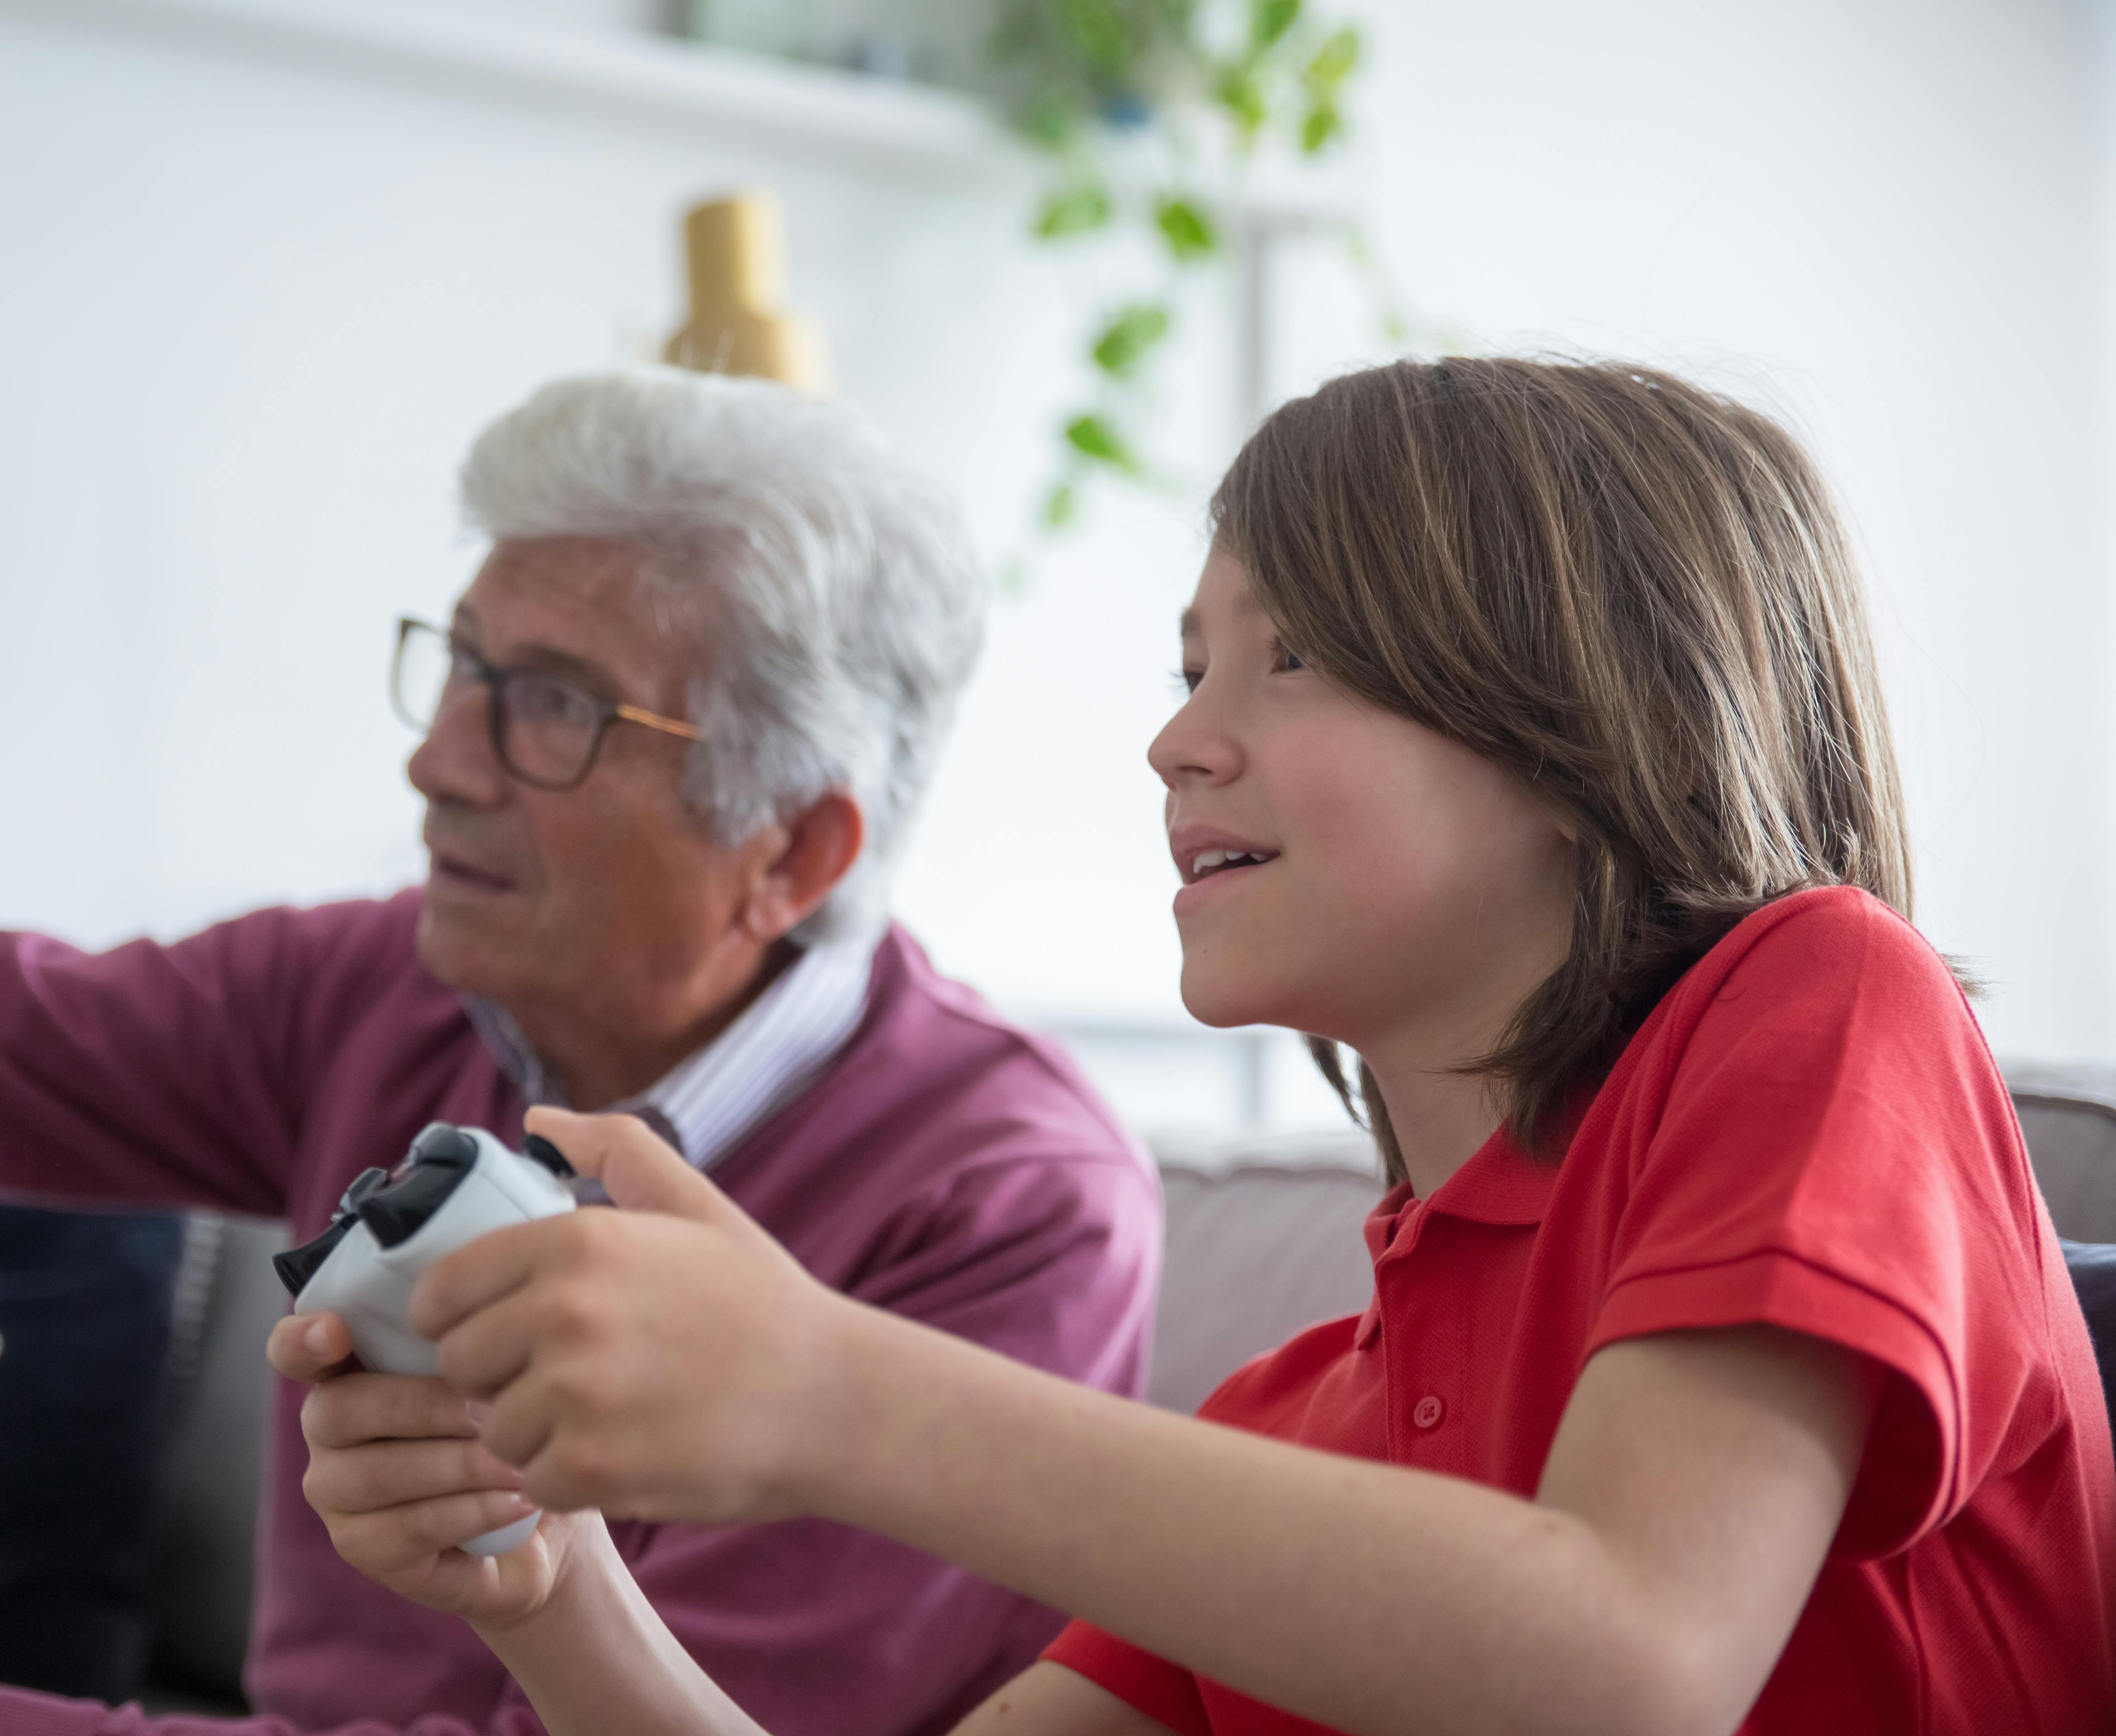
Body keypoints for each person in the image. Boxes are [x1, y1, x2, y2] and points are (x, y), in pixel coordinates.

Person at [276, 358, 2116, 1735]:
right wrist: (549, 1591)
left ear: (1584, 728)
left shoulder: (1825, 1003)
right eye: (1188, 668)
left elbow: (1628, 1665)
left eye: (1291, 655)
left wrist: (825, 1397)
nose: (1179, 744)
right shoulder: (1296, 1429)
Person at [0, 369, 1163, 1736]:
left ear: (794, 852)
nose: (441, 762)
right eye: (460, 667)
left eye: (553, 707)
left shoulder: (1011, 1211)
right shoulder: (377, 992)